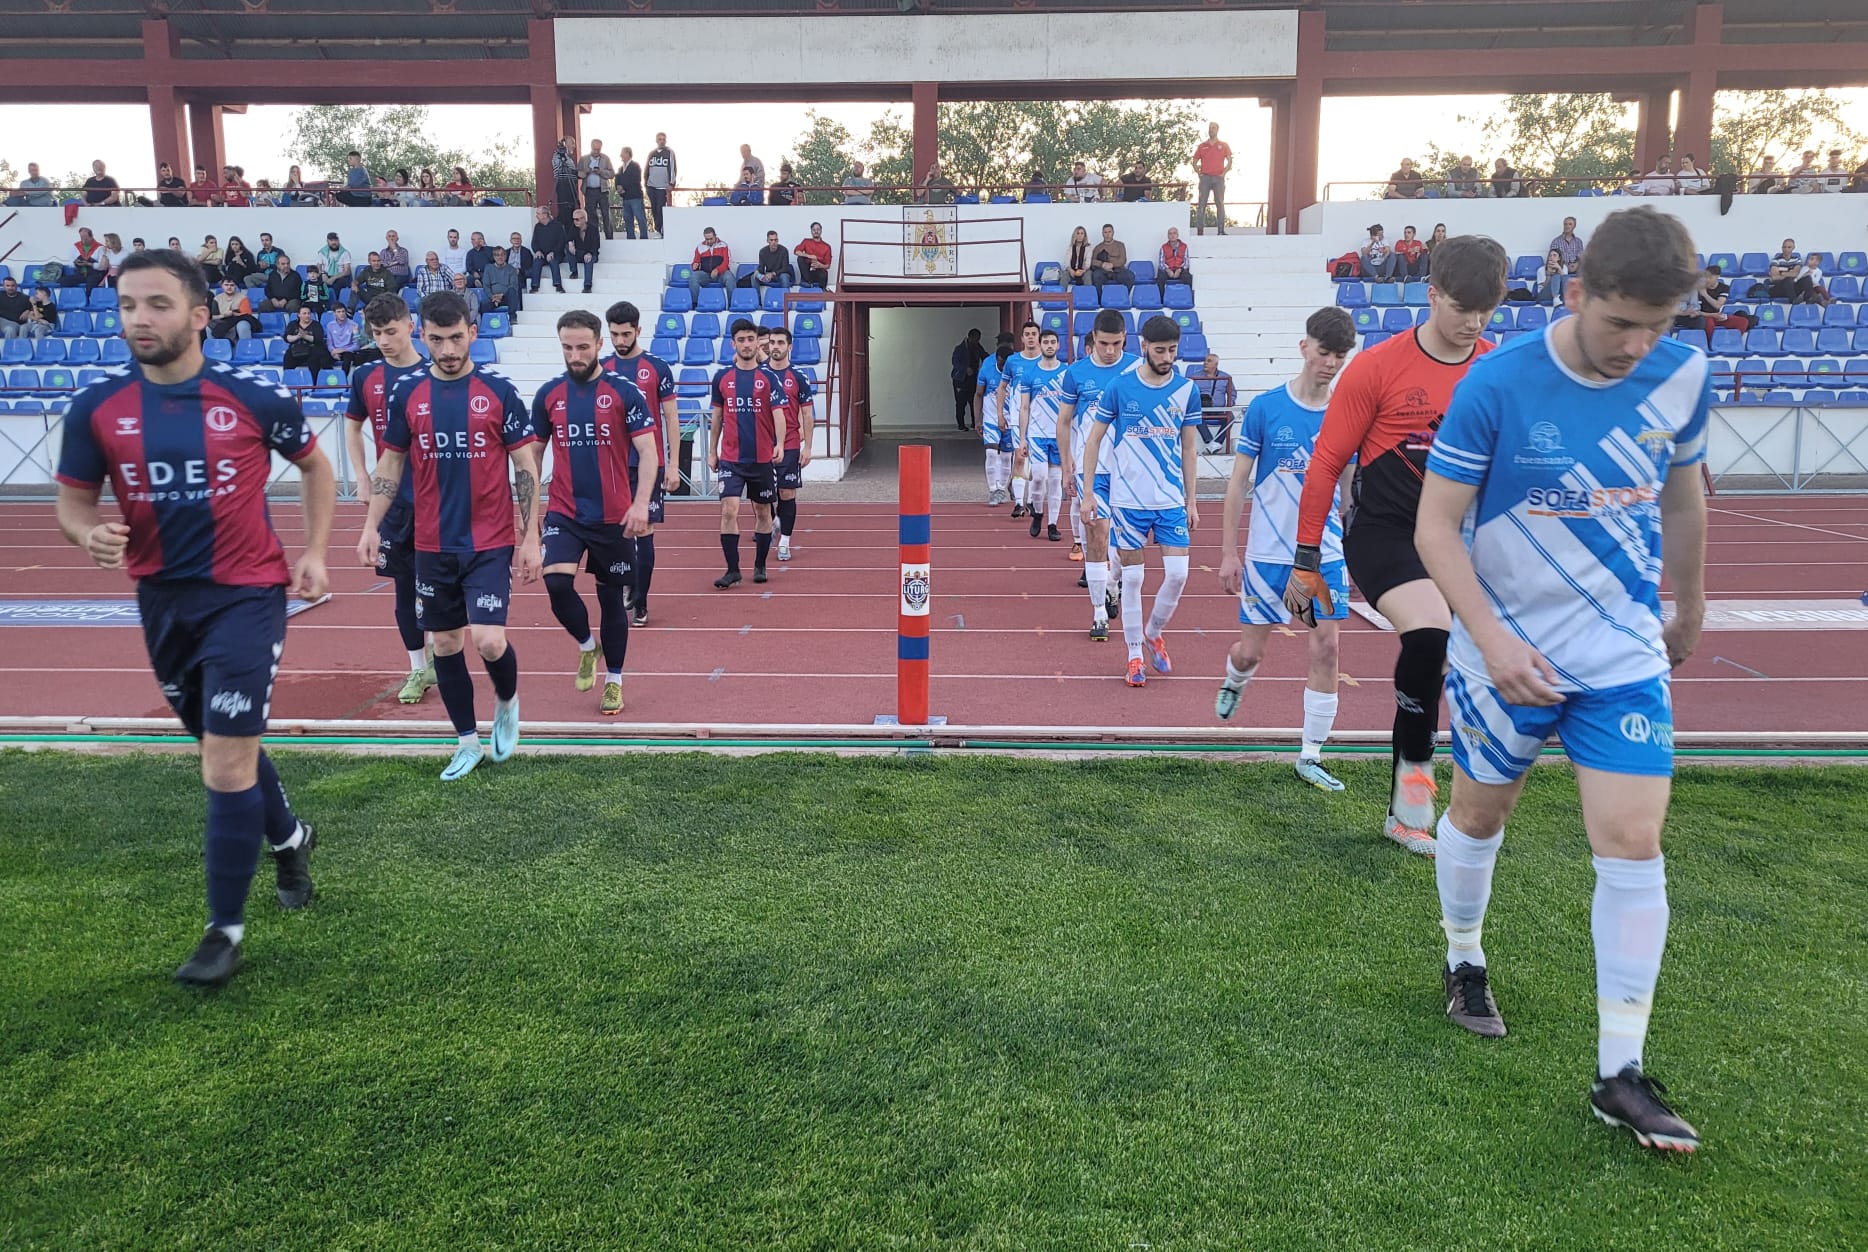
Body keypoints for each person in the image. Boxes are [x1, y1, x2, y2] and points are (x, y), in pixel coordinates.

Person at [1413, 206, 1709, 1153]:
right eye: (1622, 321)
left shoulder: (1682, 373)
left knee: (1633, 839)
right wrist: (1492, 640)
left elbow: (1682, 492)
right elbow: (1435, 528)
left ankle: (1619, 1071)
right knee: (1477, 818)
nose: (1638, 344)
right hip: (1507, 655)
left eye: (1658, 327)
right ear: (1577, 293)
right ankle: (1464, 959)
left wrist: (1691, 607)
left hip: (1620, 655)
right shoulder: (1499, 384)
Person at [53, 248, 332, 986]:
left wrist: (315, 552)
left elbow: (315, 466)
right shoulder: (98, 410)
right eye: (127, 306)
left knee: (224, 759)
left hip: (247, 597)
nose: (139, 319)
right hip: (161, 602)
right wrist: (88, 534)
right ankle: (292, 837)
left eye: (158, 305)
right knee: (223, 743)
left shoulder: (252, 399)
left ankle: (223, 931)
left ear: (200, 317)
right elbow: (73, 501)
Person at [1283, 234, 1508, 858]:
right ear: (1431, 294)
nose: (1473, 322)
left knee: (1472, 669)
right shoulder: (1378, 368)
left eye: (1485, 310)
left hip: (1466, 540)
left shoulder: (1496, 366)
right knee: (1430, 635)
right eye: (1461, 307)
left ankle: (1461, 779)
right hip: (1386, 536)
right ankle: (1410, 805)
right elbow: (1326, 463)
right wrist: (1305, 562)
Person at [358, 291, 541, 781]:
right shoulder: (408, 395)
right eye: (436, 339)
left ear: (473, 333)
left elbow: (525, 466)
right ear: (423, 335)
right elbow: (390, 464)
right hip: (430, 542)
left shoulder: (499, 393)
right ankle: (466, 742)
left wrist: (531, 537)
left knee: (489, 641)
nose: (447, 349)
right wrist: (372, 524)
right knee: (443, 644)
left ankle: (506, 701)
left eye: (456, 337)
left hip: (489, 540)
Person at [1215, 308, 1357, 791]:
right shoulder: (1266, 408)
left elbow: (1350, 493)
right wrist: (1229, 552)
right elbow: (1237, 485)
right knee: (1252, 653)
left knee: (1327, 647)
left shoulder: (1348, 413)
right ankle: (1235, 678)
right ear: (1304, 347)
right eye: (1324, 352)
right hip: (1266, 558)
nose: (1331, 363)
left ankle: (1311, 754)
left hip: (1322, 558)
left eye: (1340, 356)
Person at [534, 310, 657, 716]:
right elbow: (532, 456)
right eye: (567, 347)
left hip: (613, 518)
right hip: (565, 513)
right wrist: (531, 506)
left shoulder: (623, 391)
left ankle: (615, 681)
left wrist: (640, 505)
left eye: (582, 346)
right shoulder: (549, 394)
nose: (575, 354)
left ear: (600, 344)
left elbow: (648, 452)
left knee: (611, 602)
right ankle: (588, 646)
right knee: (555, 585)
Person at [1079, 314, 1203, 687]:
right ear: (1144, 346)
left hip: (1169, 501)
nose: (1167, 357)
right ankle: (1134, 656)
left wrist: (1192, 499)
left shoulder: (1186, 390)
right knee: (1133, 580)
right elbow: (1094, 440)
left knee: (1179, 575)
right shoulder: (1120, 387)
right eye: (1161, 350)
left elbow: (1189, 447)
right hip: (1127, 501)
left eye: (1173, 351)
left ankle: (1154, 631)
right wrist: (1087, 492)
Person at [343, 295, 436, 705]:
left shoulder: (436, 371)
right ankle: (418, 667)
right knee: (404, 588)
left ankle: (443, 653)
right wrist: (362, 475)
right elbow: (352, 426)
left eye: (391, 331)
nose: (383, 340)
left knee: (442, 586)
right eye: (376, 333)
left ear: (411, 325)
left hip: (438, 499)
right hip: (393, 501)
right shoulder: (365, 376)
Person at [602, 301, 680, 626]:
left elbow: (671, 417)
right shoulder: (602, 369)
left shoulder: (657, 368)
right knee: (619, 533)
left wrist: (673, 463)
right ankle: (626, 587)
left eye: (625, 334)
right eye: (614, 334)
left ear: (638, 330)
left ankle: (641, 600)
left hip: (649, 464)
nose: (620, 340)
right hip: (612, 466)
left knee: (645, 530)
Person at [707, 319, 786, 588]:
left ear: (757, 342)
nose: (746, 344)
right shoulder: (722, 378)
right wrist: (711, 451)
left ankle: (760, 564)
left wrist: (780, 443)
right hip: (731, 459)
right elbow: (716, 417)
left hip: (762, 459)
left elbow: (779, 414)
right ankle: (732, 570)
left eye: (750, 339)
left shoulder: (768, 378)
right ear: (734, 343)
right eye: (741, 340)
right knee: (728, 510)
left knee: (763, 513)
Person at [766, 327, 816, 564]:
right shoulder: (759, 375)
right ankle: (775, 522)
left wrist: (808, 447)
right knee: (764, 496)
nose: (775, 346)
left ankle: (784, 541)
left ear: (789, 347)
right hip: (762, 444)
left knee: (786, 492)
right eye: (772, 342)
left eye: (780, 343)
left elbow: (807, 413)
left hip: (790, 443)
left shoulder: (798, 377)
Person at [1015, 327, 1070, 544]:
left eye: (1052, 342)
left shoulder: (1067, 374)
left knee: (1056, 482)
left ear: (1058, 346)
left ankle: (1053, 524)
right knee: (1039, 478)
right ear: (1040, 344)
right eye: (1045, 341)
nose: (1048, 345)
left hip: (1058, 436)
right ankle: (1037, 513)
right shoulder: (1030, 375)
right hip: (1037, 435)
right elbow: (1024, 408)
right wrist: (1022, 438)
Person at [995, 321, 1044, 518]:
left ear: (1039, 336)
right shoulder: (1013, 361)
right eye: (1027, 334)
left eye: (1034, 333)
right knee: (1020, 457)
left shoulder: (1046, 360)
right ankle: (1018, 502)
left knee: (1036, 462)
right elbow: (1002, 387)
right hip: (1017, 418)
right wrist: (1000, 414)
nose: (1031, 337)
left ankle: (1032, 500)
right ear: (1022, 338)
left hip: (1041, 421)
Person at [975, 332, 1016, 506]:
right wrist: (977, 420)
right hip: (991, 418)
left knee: (1007, 457)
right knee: (991, 453)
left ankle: (1003, 487)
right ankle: (994, 489)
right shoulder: (987, 366)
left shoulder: (1018, 367)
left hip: (1010, 418)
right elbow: (978, 394)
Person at [1193, 122, 1233, 235]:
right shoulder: (1202, 146)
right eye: (1210, 128)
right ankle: (1200, 231)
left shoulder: (1224, 145)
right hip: (1205, 178)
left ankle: (1221, 230)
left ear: (1217, 130)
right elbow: (1194, 161)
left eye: (1213, 128)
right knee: (1201, 204)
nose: (1211, 130)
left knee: (1219, 203)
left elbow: (1230, 161)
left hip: (1218, 178)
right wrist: (1199, 173)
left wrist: (1223, 173)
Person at [1190, 353, 1236, 450]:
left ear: (1216, 364)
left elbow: (1232, 394)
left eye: (1209, 361)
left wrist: (1228, 406)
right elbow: (1189, 394)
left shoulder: (1226, 377)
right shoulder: (1194, 377)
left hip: (1219, 409)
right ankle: (1209, 441)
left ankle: (1217, 442)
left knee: (1231, 417)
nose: (1205, 363)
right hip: (1201, 409)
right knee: (1195, 416)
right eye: (1205, 361)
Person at [689, 226, 735, 305]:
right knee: (693, 277)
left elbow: (727, 262)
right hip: (706, 274)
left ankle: (732, 303)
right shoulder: (700, 247)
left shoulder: (723, 245)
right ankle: (695, 304)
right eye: (707, 239)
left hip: (721, 274)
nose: (709, 241)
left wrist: (717, 270)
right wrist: (694, 265)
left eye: (711, 238)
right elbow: (696, 261)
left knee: (730, 277)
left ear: (715, 236)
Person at [950, 327, 985, 430]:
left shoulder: (978, 347)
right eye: (975, 339)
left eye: (978, 339)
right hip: (960, 379)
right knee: (961, 402)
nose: (977, 341)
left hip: (973, 378)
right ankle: (961, 425)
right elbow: (955, 362)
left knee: (973, 401)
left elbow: (984, 356)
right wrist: (965, 369)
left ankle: (975, 423)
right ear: (970, 337)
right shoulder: (959, 348)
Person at [282, 306, 334, 374]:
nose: (307, 315)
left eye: (309, 313)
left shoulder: (316, 325)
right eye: (304, 313)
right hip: (296, 350)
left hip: (312, 350)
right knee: (287, 357)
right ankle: (288, 379)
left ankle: (314, 382)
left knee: (315, 359)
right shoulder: (292, 324)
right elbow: (287, 337)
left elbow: (318, 339)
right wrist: (297, 336)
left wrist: (305, 336)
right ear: (299, 315)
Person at [579, 141, 615, 239]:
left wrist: (600, 172)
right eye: (594, 149)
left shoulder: (605, 159)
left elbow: (612, 174)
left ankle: (609, 238)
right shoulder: (584, 159)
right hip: (589, 191)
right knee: (591, 216)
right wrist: (586, 171)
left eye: (598, 149)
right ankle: (594, 238)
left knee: (606, 215)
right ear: (591, 147)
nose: (596, 151)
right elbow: (578, 173)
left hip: (602, 191)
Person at [529, 206, 567, 294]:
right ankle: (534, 286)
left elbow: (562, 241)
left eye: (538, 213)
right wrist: (537, 250)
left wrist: (553, 252)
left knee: (553, 261)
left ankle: (558, 285)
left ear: (545, 215)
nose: (536, 216)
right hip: (542, 254)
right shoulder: (537, 227)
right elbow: (534, 242)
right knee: (536, 261)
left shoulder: (557, 225)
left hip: (556, 254)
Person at [644, 132, 676, 237]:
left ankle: (659, 229)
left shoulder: (669, 152)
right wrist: (646, 184)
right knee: (654, 209)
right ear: (656, 140)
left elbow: (672, 168)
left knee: (660, 209)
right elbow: (646, 169)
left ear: (665, 140)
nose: (661, 141)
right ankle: (657, 230)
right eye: (659, 139)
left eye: (663, 139)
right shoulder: (651, 153)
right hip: (651, 186)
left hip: (663, 186)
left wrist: (671, 183)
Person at [1089, 224, 1135, 291]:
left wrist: (1112, 264)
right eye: (1105, 232)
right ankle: (1100, 299)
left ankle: (1123, 297)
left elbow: (1123, 260)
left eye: (1109, 232)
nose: (1107, 235)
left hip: (1118, 271)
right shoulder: (1098, 247)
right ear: (1102, 234)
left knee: (1130, 276)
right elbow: (1092, 261)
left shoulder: (1120, 245)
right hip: (1103, 271)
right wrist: (1102, 264)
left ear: (1113, 233)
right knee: (1096, 276)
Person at [482, 247, 524, 321]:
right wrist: (493, 297)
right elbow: (486, 285)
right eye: (497, 255)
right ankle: (486, 324)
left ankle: (512, 318)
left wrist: (501, 295)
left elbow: (513, 285)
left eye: (502, 255)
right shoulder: (488, 268)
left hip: (506, 297)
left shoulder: (511, 269)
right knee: (484, 305)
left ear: (506, 256)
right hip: (493, 297)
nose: (500, 257)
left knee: (512, 291)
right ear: (494, 257)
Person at [1766, 238, 1813, 303]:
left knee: (1807, 279)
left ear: (1793, 248)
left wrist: (1782, 273)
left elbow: (1797, 273)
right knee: (1788, 280)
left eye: (1789, 247)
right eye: (1784, 247)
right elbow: (1774, 277)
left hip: (1793, 287)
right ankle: (1794, 300)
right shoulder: (1776, 260)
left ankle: (1809, 299)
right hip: (1779, 288)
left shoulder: (1797, 260)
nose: (1786, 249)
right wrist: (1791, 274)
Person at [616, 146, 647, 240]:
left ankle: (644, 237)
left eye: (622, 153)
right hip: (625, 198)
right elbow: (617, 178)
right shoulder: (621, 168)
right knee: (628, 219)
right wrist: (618, 187)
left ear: (628, 154)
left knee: (640, 217)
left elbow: (635, 179)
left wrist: (623, 187)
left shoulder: (635, 166)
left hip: (635, 197)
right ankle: (630, 237)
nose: (620, 155)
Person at [795, 222, 833, 289]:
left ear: (821, 231)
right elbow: (796, 251)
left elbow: (828, 265)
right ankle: (808, 282)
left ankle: (819, 289)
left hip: (818, 270)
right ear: (811, 231)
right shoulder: (806, 241)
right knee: (800, 258)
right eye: (814, 230)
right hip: (807, 270)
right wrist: (809, 256)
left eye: (818, 229)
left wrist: (819, 265)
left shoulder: (827, 246)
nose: (816, 231)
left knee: (824, 274)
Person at [326, 302, 359, 372]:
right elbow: (329, 343)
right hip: (335, 350)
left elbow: (357, 345)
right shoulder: (330, 325)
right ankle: (333, 377)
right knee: (323, 358)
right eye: (339, 312)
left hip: (347, 351)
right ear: (334, 314)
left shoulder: (353, 325)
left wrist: (343, 350)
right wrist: (333, 352)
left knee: (347, 359)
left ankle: (343, 379)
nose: (341, 314)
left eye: (343, 311)